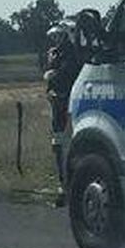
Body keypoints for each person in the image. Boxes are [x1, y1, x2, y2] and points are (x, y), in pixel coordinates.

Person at [43, 20, 81, 192]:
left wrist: (52, 75)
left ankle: (67, 183)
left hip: (66, 102)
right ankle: (63, 181)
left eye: (59, 35)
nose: (56, 39)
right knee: (58, 143)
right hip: (57, 101)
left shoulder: (71, 54)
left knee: (65, 142)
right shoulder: (56, 53)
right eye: (55, 36)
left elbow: (66, 74)